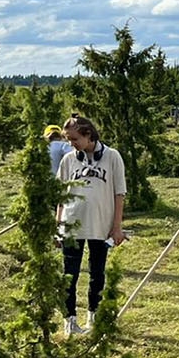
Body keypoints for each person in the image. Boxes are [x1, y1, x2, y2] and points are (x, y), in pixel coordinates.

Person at [55, 115, 127, 336]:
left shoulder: (112, 157)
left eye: (74, 138)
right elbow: (61, 194)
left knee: (97, 273)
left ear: (88, 134)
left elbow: (119, 193)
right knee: (70, 274)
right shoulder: (68, 159)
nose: (71, 143)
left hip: (100, 225)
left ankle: (93, 317)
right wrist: (58, 225)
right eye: (68, 139)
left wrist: (117, 227)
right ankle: (70, 321)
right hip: (71, 225)